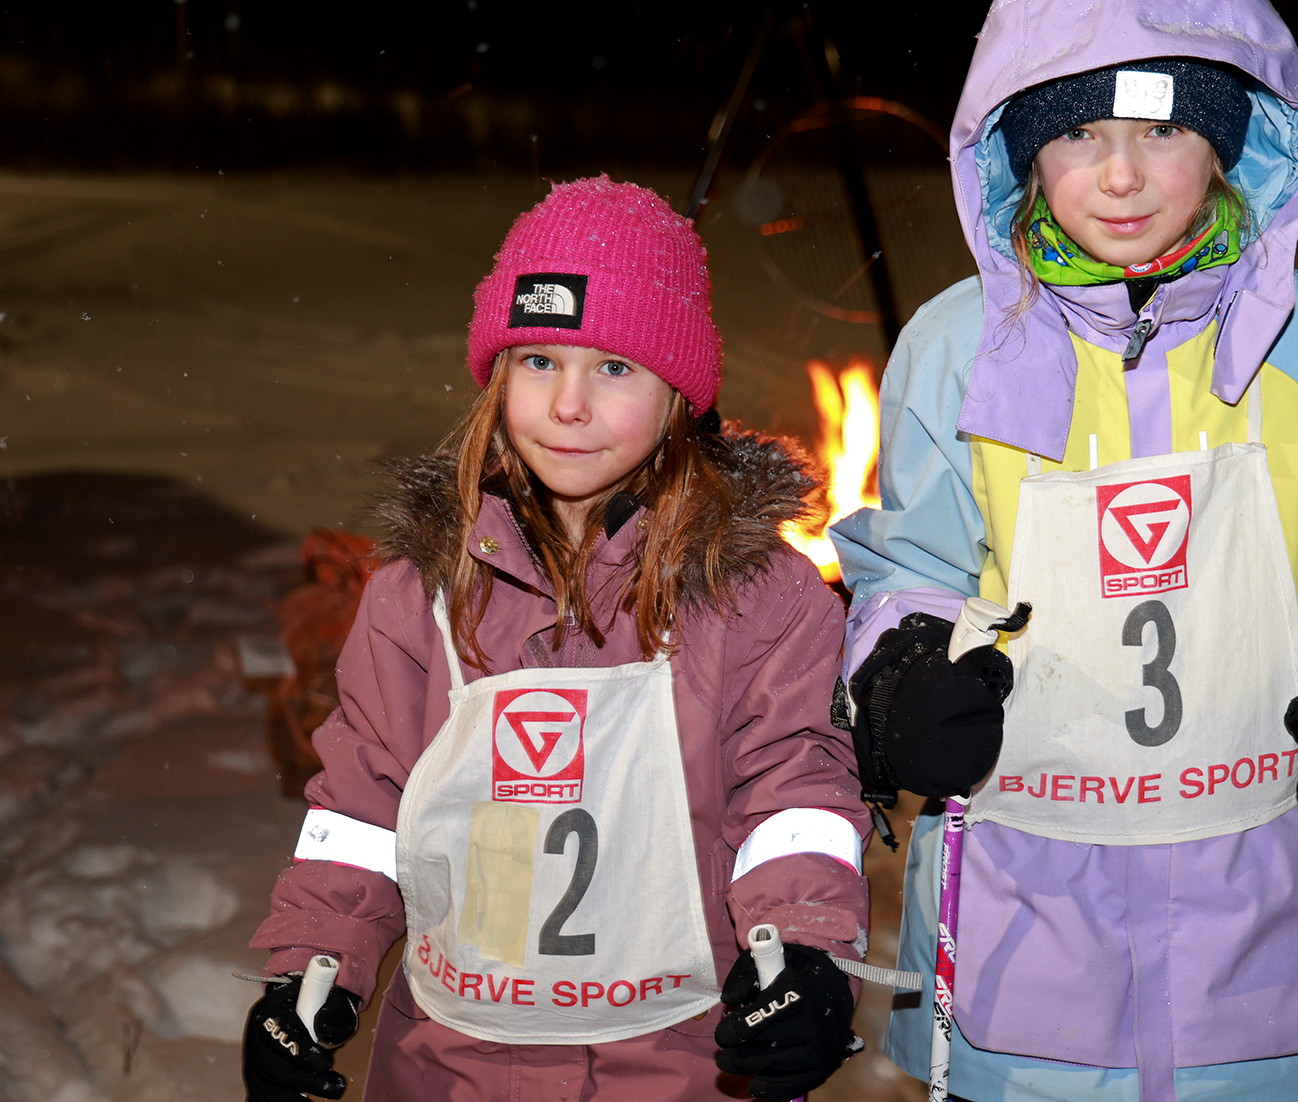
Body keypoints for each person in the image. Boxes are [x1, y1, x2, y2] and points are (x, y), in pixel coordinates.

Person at [831, 0, 1298, 1102]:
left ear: (1227, 142)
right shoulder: (959, 348)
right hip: (1016, 943)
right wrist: (904, 669)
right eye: (1075, 132)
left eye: (1163, 129)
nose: (1119, 175)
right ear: (1020, 154)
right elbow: (909, 560)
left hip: (1250, 943)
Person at [243, 177, 870, 1102]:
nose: (569, 405)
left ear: (680, 395)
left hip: (683, 1064)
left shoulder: (756, 595)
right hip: (450, 1066)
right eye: (539, 359)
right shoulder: (419, 595)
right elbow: (366, 813)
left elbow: (793, 794)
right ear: (496, 376)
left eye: (614, 368)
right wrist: (310, 972)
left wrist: (807, 955)